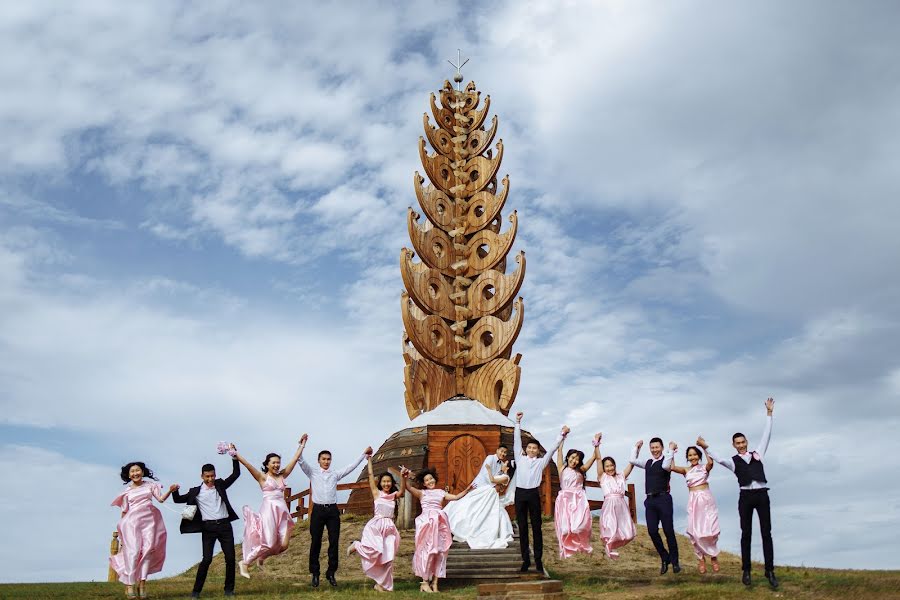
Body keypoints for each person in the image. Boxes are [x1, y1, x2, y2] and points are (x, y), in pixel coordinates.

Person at [700, 397, 777, 588]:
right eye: (737, 443)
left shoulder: (759, 453)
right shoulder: (733, 461)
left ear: (746, 442)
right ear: (734, 445)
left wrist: (769, 413)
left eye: (743, 442)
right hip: (745, 497)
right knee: (746, 534)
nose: (741, 445)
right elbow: (717, 458)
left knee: (766, 533)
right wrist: (704, 446)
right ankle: (746, 571)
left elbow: (766, 435)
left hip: (761, 495)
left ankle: (769, 570)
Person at [298, 433, 373, 588]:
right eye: (323, 459)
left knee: (334, 542)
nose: (326, 461)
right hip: (318, 511)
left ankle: (331, 573)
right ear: (319, 461)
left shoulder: (335, 474)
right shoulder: (312, 472)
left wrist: (363, 454)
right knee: (316, 542)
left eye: (328, 459)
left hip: (332, 511)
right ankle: (315, 574)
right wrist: (302, 444)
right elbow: (300, 460)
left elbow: (351, 467)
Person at [171, 456, 241, 598]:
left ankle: (229, 590)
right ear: (202, 476)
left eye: (213, 476)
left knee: (230, 558)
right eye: (207, 476)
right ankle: (196, 592)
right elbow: (178, 500)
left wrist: (234, 458)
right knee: (206, 559)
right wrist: (174, 490)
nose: (210, 479)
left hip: (225, 526)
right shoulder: (195, 491)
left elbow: (235, 474)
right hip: (208, 528)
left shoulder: (220, 484)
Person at [234, 439, 303, 578]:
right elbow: (248, 465)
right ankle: (245, 563)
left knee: (283, 545)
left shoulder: (282, 475)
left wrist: (302, 445)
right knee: (269, 542)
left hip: (282, 512)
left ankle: (262, 557)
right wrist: (236, 454)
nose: (277, 465)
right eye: (273, 462)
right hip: (269, 512)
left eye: (278, 462)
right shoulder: (262, 478)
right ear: (267, 464)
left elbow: (295, 459)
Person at [110, 461, 176, 599]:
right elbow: (124, 512)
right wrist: (121, 532)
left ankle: (142, 584)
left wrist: (170, 490)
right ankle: (129, 585)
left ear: (143, 471)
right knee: (133, 553)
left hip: (150, 522)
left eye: (137, 470)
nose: (135, 473)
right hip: (131, 524)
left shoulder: (151, 485)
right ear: (128, 475)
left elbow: (161, 499)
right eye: (132, 472)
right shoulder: (127, 492)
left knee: (148, 551)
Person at [513, 412, 569, 574]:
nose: (531, 450)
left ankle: (538, 560)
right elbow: (517, 441)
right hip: (520, 494)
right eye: (529, 447)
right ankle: (525, 560)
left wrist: (561, 434)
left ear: (538, 451)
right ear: (526, 449)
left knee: (537, 527)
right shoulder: (520, 458)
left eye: (534, 448)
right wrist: (517, 422)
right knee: (523, 527)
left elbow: (551, 449)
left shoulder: (541, 462)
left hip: (533, 495)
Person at [405, 467, 473, 593]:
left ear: (434, 479)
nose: (430, 481)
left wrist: (467, 490)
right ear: (424, 483)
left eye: (431, 478)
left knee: (440, 552)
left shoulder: (441, 492)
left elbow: (456, 497)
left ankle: (435, 583)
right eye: (426, 480)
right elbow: (408, 487)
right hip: (427, 524)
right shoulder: (422, 493)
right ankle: (425, 582)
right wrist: (405, 476)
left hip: (440, 524)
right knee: (428, 551)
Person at [346, 457, 406, 591]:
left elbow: (402, 492)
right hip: (376, 526)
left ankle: (380, 585)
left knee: (388, 558)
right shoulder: (376, 493)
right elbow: (370, 475)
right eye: (384, 481)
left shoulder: (393, 495)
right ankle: (357, 545)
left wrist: (403, 477)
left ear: (391, 483)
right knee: (375, 551)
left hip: (389, 527)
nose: (386, 484)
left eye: (389, 481)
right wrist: (369, 460)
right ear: (380, 483)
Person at [630, 437, 680, 574]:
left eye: (657, 447)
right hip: (650, 501)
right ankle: (665, 558)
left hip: (663, 498)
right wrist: (637, 447)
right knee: (652, 531)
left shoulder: (666, 460)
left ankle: (675, 562)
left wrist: (671, 449)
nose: (654, 450)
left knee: (668, 530)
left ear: (662, 448)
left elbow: (665, 467)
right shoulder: (648, 462)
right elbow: (632, 460)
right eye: (652, 448)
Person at [669, 443, 720, 574]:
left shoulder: (704, 468)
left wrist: (704, 447)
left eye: (695, 454)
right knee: (695, 530)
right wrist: (672, 451)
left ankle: (714, 556)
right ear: (687, 457)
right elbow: (672, 467)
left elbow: (711, 462)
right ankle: (700, 558)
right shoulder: (686, 470)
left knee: (711, 529)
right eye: (690, 455)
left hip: (707, 499)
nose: (693, 457)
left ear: (699, 456)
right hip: (694, 500)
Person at [444, 457, 516, 549]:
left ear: (508, 468)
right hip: (487, 490)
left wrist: (489, 470)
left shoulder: (506, 477)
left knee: (481, 509)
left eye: (505, 464)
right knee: (471, 505)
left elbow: (492, 480)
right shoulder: (501, 474)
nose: (503, 464)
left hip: (490, 493)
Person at [554, 433, 601, 558]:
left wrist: (596, 443)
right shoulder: (561, 468)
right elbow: (559, 450)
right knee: (565, 528)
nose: (574, 461)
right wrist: (563, 435)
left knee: (579, 526)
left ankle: (580, 544)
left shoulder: (581, 470)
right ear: (568, 457)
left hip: (578, 500)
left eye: (577, 459)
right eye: (572, 457)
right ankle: (567, 547)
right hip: (565, 500)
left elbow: (594, 457)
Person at [596, 436, 636, 558]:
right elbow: (598, 459)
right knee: (610, 527)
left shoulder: (620, 476)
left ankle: (613, 545)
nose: (610, 468)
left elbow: (631, 465)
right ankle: (608, 546)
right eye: (607, 466)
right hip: (610, 504)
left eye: (611, 465)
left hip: (621, 505)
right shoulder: (603, 477)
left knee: (627, 532)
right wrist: (597, 445)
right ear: (604, 468)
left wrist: (636, 450)